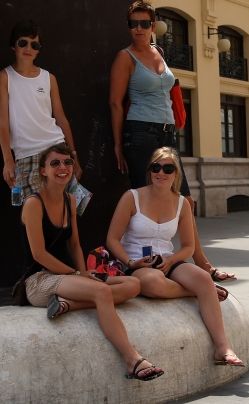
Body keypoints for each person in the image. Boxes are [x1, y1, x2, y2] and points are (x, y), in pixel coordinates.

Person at [109, 1, 235, 284]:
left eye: (144, 24)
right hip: (140, 132)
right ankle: (140, 262)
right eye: (133, 24)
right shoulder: (125, 58)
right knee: (142, 199)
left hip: (167, 134)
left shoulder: (159, 53)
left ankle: (201, 262)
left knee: (185, 200)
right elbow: (116, 104)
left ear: (153, 26)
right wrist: (118, 145)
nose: (138, 29)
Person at [21, 143, 163, 381]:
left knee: (132, 285)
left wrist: (82, 272)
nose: (62, 167)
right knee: (102, 293)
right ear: (43, 171)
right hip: (40, 280)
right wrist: (77, 275)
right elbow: (39, 255)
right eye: (54, 163)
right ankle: (133, 359)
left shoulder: (70, 200)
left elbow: (75, 244)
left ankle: (68, 304)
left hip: (69, 278)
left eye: (67, 162)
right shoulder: (34, 203)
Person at [106, 147, 244, 366]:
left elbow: (188, 246)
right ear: (150, 170)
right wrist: (131, 262)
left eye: (168, 168)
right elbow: (112, 239)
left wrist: (171, 261)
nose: (161, 173)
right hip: (136, 262)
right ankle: (201, 292)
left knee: (202, 277)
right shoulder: (132, 197)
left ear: (176, 173)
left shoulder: (182, 203)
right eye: (156, 167)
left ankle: (222, 347)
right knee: (153, 282)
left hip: (168, 260)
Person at [0, 19, 82, 203]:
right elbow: (2, 121)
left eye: (34, 44)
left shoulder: (48, 78)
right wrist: (7, 160)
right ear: (14, 45)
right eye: (23, 42)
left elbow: (61, 118)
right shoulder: (4, 77)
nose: (28, 48)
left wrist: (73, 156)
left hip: (57, 149)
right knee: (33, 214)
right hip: (26, 156)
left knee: (66, 211)